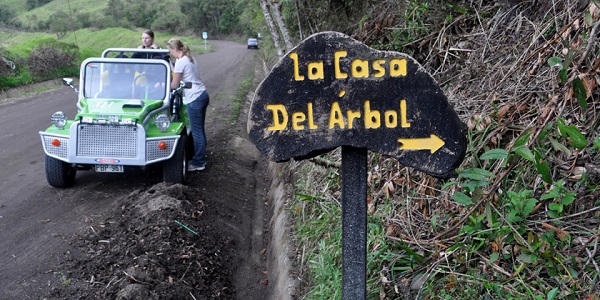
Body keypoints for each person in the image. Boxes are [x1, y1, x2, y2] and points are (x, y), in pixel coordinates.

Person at [167, 38, 210, 171]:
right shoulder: (188, 58)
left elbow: (174, 85)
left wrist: (164, 87)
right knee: (200, 130)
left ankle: (198, 162)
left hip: (194, 98)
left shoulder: (181, 61)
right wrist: (171, 66)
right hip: (202, 94)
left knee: (197, 133)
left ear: (174, 49)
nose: (170, 53)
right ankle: (200, 158)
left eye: (170, 51)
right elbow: (181, 73)